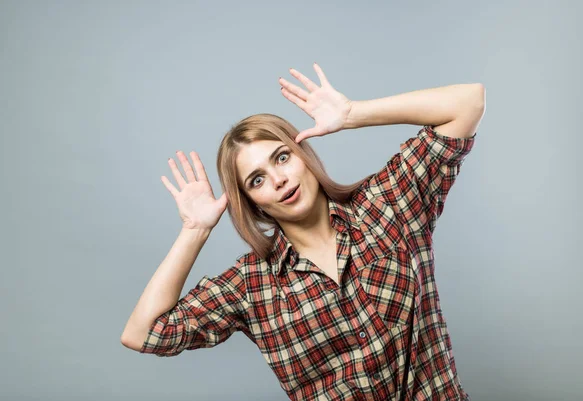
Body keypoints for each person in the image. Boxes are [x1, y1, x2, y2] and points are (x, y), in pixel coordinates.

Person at [121, 62, 485, 401]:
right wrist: (195, 229)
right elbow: (142, 334)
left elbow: (467, 102)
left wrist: (352, 114)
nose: (279, 180)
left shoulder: (386, 205)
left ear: (303, 154)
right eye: (257, 179)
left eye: (282, 157)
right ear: (253, 202)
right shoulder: (252, 285)